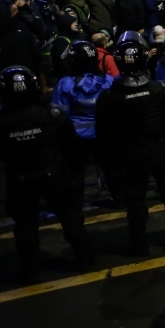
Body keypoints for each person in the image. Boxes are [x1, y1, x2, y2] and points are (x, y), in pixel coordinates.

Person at [0, 66, 94, 282]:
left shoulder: (0, 122)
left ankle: (30, 270)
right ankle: (84, 258)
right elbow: (70, 144)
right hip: (53, 173)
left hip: (20, 177)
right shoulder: (52, 115)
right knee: (69, 217)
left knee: (25, 226)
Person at [95, 32, 165, 256]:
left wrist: (110, 164)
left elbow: (105, 134)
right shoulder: (160, 90)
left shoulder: (109, 96)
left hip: (129, 153)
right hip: (159, 149)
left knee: (135, 199)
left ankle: (139, 243)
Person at [50, 40, 114, 207]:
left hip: (76, 138)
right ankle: (120, 199)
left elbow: (58, 115)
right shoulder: (108, 80)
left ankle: (76, 206)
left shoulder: (65, 84)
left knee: (75, 174)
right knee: (111, 168)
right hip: (104, 134)